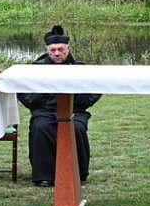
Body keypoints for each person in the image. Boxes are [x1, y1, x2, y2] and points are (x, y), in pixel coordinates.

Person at [17, 26, 101, 187]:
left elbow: (93, 93)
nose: (57, 53)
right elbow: (26, 96)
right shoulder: (36, 69)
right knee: (41, 127)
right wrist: (44, 89)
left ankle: (78, 172)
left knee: (76, 128)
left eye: (60, 50)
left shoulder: (80, 69)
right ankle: (44, 176)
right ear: (47, 50)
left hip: (74, 111)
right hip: (45, 111)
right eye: (53, 50)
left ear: (67, 49)